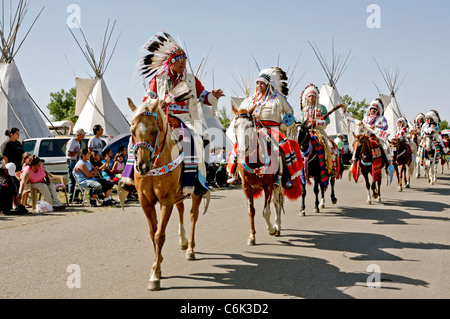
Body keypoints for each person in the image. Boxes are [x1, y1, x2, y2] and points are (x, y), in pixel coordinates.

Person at [136, 31, 224, 194]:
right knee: (139, 138)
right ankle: (129, 178)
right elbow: (146, 100)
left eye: (184, 61)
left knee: (196, 139)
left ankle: (196, 180)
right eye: (179, 61)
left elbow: (204, 96)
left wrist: (213, 96)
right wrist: (158, 103)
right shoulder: (158, 80)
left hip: (185, 119)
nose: (183, 64)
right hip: (162, 119)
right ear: (171, 63)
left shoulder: (191, 79)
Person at [227, 67, 299, 189]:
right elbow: (241, 113)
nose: (259, 85)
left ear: (267, 85)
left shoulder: (277, 98)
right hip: (254, 130)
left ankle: (286, 177)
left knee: (284, 148)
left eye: (262, 83)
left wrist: (285, 124)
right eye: (258, 83)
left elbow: (290, 112)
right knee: (237, 147)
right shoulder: (249, 100)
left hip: (274, 130)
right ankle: (233, 173)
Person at [299, 84, 342, 177]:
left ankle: (332, 167)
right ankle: (297, 168)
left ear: (316, 97)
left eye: (313, 96)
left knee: (330, 146)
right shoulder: (304, 110)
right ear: (307, 97)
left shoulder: (322, 108)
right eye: (309, 96)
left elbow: (327, 121)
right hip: (307, 132)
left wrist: (316, 121)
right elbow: (302, 122)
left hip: (320, 132)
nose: (311, 98)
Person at [66, 128, 86, 203]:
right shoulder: (72, 142)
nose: (83, 137)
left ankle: (76, 197)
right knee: (72, 179)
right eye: (82, 135)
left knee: (78, 178)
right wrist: (78, 152)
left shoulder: (77, 142)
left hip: (76, 161)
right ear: (78, 135)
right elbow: (69, 154)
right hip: (71, 161)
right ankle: (71, 198)